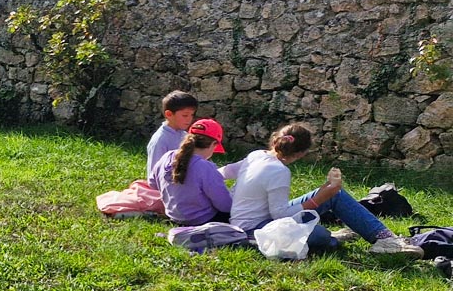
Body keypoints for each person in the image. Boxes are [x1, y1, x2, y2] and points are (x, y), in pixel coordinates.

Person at [228, 123, 423, 257]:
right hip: (255, 229)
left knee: (334, 195)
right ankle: (366, 238)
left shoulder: (257, 155)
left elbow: (226, 171)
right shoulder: (279, 171)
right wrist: (320, 197)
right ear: (302, 153)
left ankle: (384, 238)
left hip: (247, 220)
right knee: (323, 238)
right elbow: (279, 214)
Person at [150, 118, 234, 225]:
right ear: (213, 144)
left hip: (173, 216)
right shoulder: (206, 167)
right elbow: (225, 205)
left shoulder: (168, 156)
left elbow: (153, 183)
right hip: (203, 220)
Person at [145, 91, 197, 179]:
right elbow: (154, 173)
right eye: (185, 115)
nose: (190, 119)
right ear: (169, 114)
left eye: (192, 115)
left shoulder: (185, 135)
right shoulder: (160, 140)